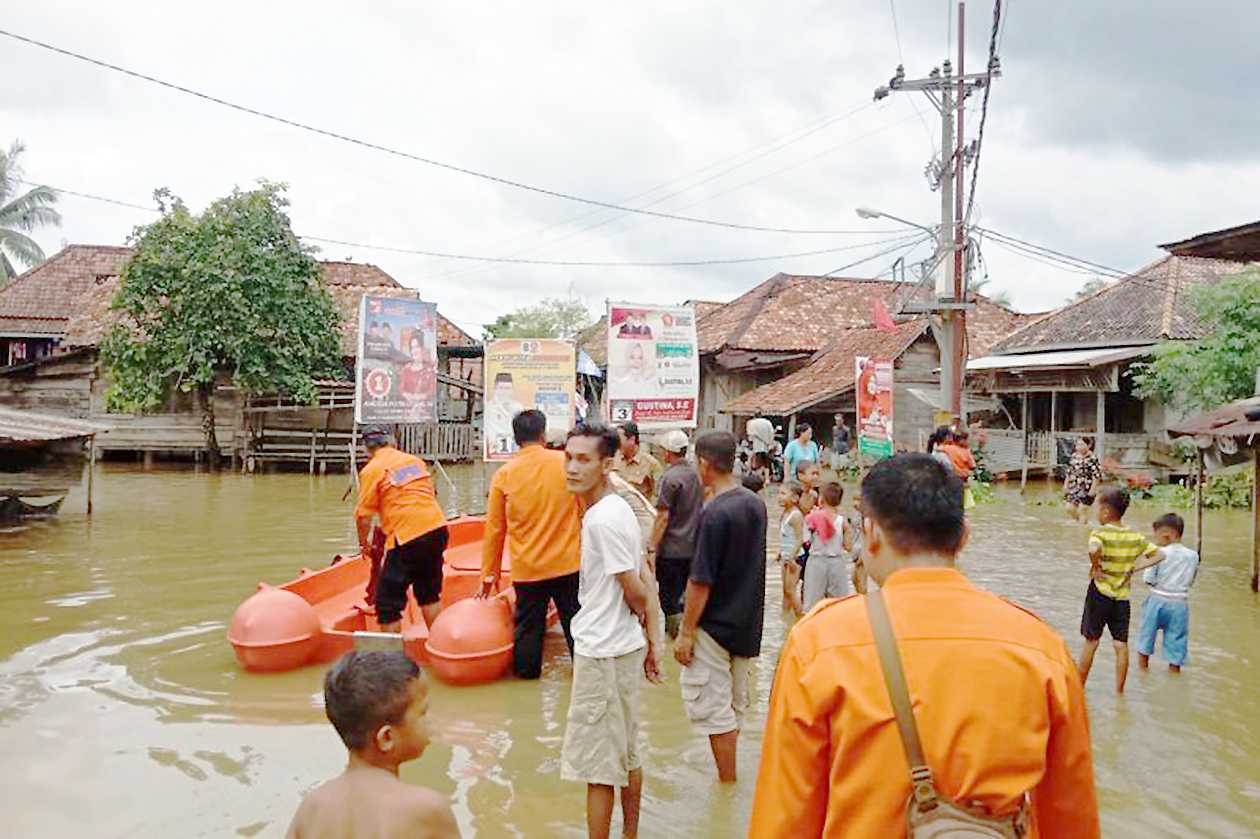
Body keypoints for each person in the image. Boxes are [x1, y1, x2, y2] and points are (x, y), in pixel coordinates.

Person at [749, 454, 1100, 837]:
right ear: (963, 536)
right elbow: (1071, 817)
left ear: (871, 534)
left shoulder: (818, 642)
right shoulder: (1041, 647)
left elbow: (784, 816)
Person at [560, 422, 663, 839]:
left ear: (607, 464)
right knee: (626, 755)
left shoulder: (602, 519)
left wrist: (647, 624)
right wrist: (651, 639)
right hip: (619, 648)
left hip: (602, 651)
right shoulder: (617, 506)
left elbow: (637, 588)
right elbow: (645, 578)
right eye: (568, 457)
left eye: (582, 460)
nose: (570, 468)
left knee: (599, 769)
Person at [674, 430, 767, 783]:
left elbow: (701, 580)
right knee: (734, 705)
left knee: (714, 710)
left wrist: (685, 633)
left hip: (713, 624)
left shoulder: (713, 513)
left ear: (703, 463)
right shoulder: (754, 503)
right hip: (745, 622)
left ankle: (726, 783)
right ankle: (730, 778)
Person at [286, 651, 458, 839]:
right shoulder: (427, 809)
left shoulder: (311, 808)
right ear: (386, 738)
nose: (431, 721)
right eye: (423, 713)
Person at [479, 410, 582, 679]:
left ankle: (526, 682)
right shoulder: (565, 463)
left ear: (515, 439)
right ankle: (586, 675)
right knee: (577, 625)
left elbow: (494, 530)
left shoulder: (504, 475)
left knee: (527, 630)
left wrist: (488, 575)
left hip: (528, 569)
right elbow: (585, 511)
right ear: (543, 435)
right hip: (569, 564)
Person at [355, 427, 449, 632]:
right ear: (391, 442)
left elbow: (363, 517)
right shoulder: (414, 461)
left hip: (408, 536)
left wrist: (364, 544)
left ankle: (392, 659)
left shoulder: (372, 469)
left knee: (387, 604)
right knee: (429, 595)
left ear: (366, 449)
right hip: (437, 529)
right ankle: (439, 644)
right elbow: (423, 494)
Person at [1077, 487, 1166, 693]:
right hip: (1122, 597)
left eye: (1098, 508)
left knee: (1091, 641)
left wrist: (1096, 565)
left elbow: (1093, 549)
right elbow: (1160, 555)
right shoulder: (1134, 536)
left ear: (1106, 512)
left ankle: (1078, 688)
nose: (1095, 512)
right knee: (1120, 644)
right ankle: (1119, 691)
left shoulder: (1100, 532)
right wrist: (1135, 568)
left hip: (1100, 592)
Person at [648, 429, 704, 639]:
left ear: (667, 452)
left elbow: (662, 517)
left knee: (669, 599)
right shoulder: (698, 475)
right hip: (695, 548)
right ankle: (688, 634)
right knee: (687, 595)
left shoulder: (669, 477)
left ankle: (675, 640)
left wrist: (651, 546)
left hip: (672, 550)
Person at [1137, 513, 1199, 674]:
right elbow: (1191, 580)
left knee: (1146, 638)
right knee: (1176, 642)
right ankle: (1173, 673)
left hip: (1157, 600)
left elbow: (1148, 579)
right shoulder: (1193, 556)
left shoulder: (1157, 552)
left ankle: (1143, 672)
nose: (1155, 539)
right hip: (1180, 604)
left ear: (1166, 535)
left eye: (1156, 535)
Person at [802, 482, 851, 611]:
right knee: (839, 603)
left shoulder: (812, 518)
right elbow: (848, 546)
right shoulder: (842, 521)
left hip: (816, 561)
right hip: (837, 562)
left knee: (812, 604)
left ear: (821, 499)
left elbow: (805, 541)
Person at [777, 482, 806, 619]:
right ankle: (785, 617)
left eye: (783, 494)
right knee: (785, 591)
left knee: (791, 590)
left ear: (795, 498)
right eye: (779, 493)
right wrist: (780, 553)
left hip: (794, 559)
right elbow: (786, 536)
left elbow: (800, 539)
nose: (779, 497)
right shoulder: (785, 513)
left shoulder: (796, 515)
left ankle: (800, 618)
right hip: (786, 557)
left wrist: (792, 557)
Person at [612, 421, 661, 500]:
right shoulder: (614, 461)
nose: (616, 444)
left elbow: (657, 496)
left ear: (632, 439)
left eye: (619, 440)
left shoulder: (651, 464)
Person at [1064, 436, 1104, 523]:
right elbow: (1069, 472)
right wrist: (1065, 485)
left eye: (1082, 444)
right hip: (1074, 486)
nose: (1079, 447)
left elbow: (1096, 476)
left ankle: (1082, 530)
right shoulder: (1074, 456)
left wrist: (1092, 490)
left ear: (1089, 445)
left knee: (1082, 510)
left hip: (1087, 487)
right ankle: (1081, 523)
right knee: (1069, 508)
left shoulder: (1093, 458)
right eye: (1077, 445)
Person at [485, 372, 525, 456]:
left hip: (515, 450)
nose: (505, 392)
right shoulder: (489, 408)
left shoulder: (518, 407)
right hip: (494, 450)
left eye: (508, 388)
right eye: (502, 388)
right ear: (495, 389)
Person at [398, 333, 435, 408]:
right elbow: (401, 389)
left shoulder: (429, 371)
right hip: (407, 413)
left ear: (422, 348)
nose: (414, 351)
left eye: (417, 347)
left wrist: (420, 397)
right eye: (412, 348)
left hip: (424, 413)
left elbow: (432, 391)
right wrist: (408, 397)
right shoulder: (406, 370)